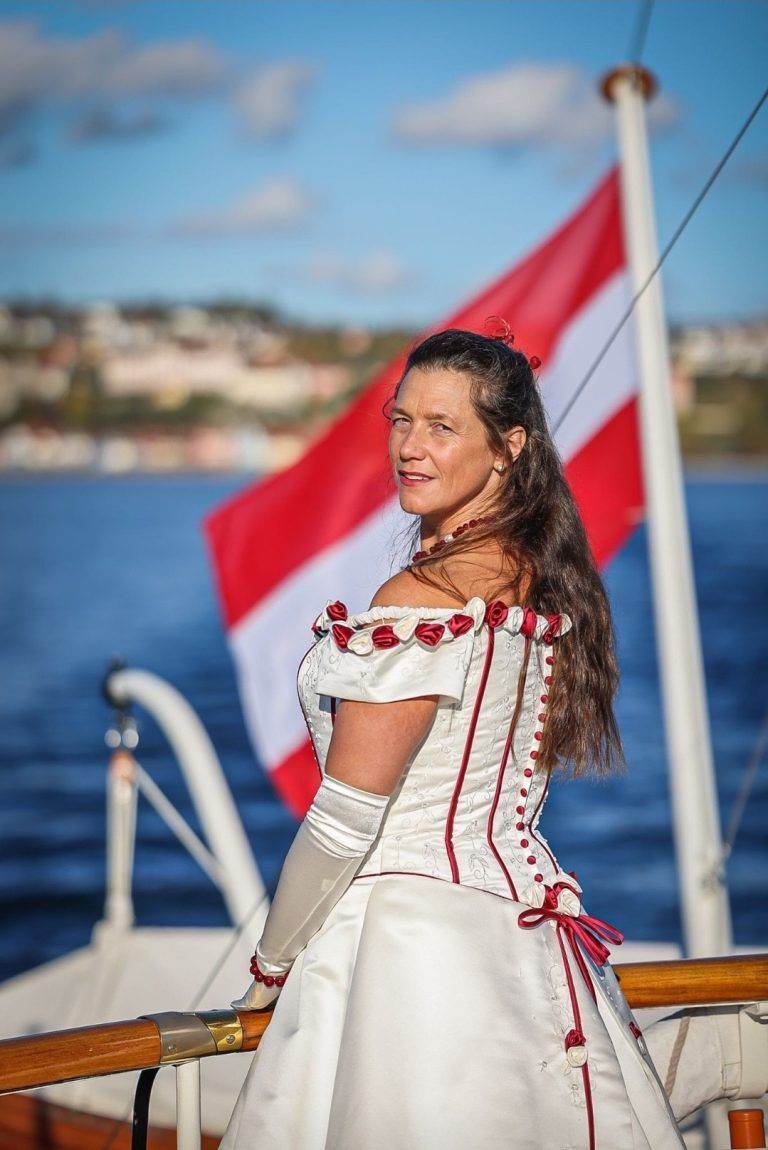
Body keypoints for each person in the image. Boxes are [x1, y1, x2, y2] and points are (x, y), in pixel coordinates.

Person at [220, 327, 688, 1149]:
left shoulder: (420, 599)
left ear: (509, 449)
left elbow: (344, 819)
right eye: (400, 421)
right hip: (523, 938)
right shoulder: (538, 575)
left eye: (441, 427)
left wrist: (268, 969)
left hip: (409, 958)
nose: (408, 446)